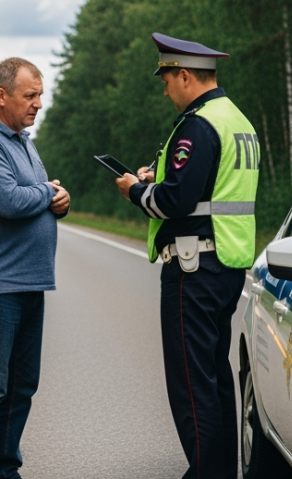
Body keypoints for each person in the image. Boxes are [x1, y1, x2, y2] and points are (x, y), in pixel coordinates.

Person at [114, 33, 259, 479]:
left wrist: (135, 190)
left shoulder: (198, 125)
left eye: (166, 81)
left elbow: (175, 201)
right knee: (214, 377)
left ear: (184, 76)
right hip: (226, 265)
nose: (165, 91)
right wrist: (154, 180)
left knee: (191, 386)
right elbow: (206, 190)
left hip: (193, 270)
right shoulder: (236, 119)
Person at [0, 57, 70, 479]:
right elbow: (8, 200)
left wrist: (60, 201)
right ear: (1, 96)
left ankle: (6, 469)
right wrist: (47, 191)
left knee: (21, 387)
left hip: (30, 281)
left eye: (40, 95)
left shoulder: (22, 140)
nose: (38, 103)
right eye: (30, 95)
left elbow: (36, 196)